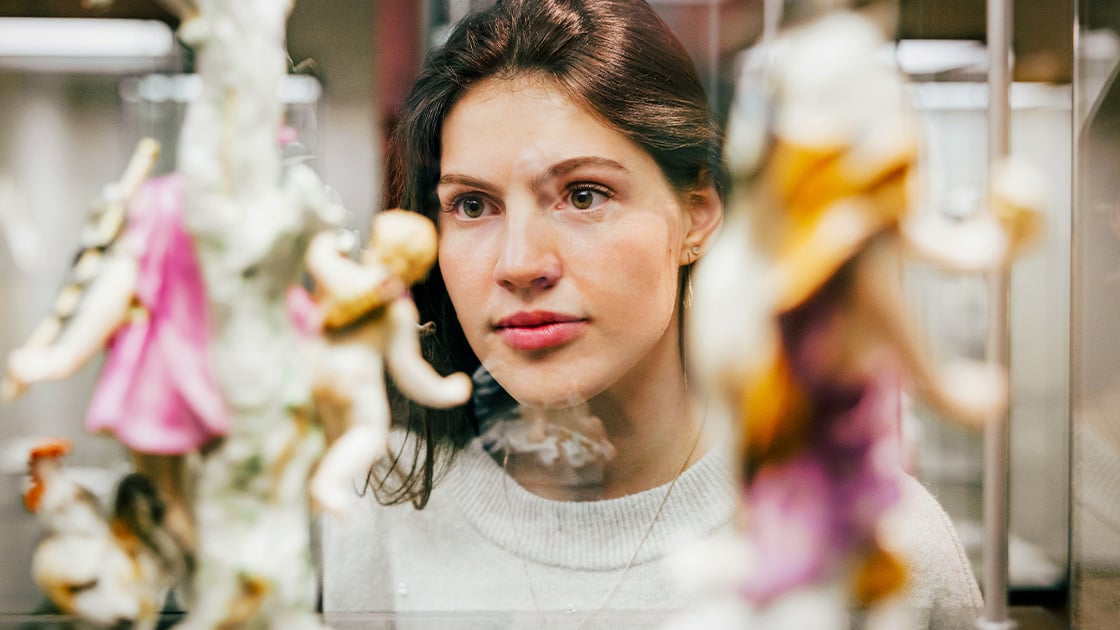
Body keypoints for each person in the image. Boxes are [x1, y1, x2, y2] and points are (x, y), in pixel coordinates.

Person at [320, 0, 980, 624]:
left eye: (583, 195)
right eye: (471, 206)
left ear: (699, 213)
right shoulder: (378, 507)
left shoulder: (872, 540)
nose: (520, 263)